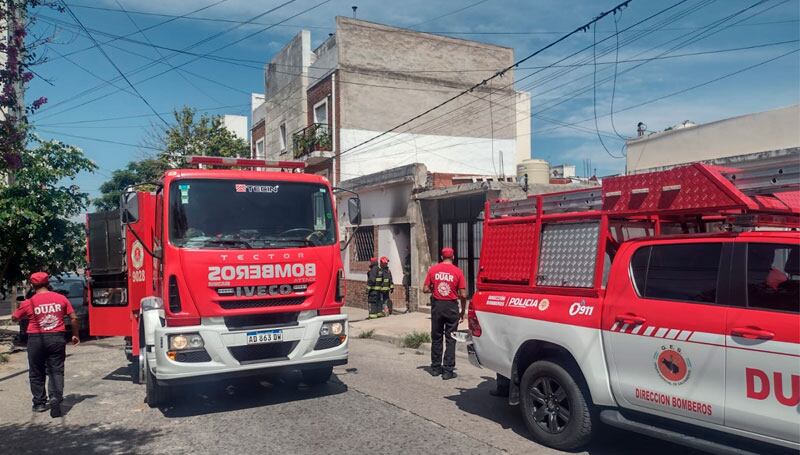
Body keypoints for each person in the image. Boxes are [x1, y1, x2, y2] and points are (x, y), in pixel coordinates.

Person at [11, 272, 80, 417]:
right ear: (48, 283)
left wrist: (19, 308)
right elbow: (73, 318)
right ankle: (55, 397)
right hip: (57, 338)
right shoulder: (61, 298)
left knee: (36, 371)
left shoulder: (29, 302)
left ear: (32, 285)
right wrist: (75, 335)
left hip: (36, 340)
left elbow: (15, 318)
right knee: (56, 370)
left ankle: (39, 403)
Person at [423, 247, 467, 380]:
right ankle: (448, 370)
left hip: (437, 306)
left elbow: (425, 289)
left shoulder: (433, 270)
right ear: (453, 257)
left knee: (436, 337)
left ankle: (435, 368)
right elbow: (463, 294)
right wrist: (462, 311)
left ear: (441, 257)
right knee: (451, 338)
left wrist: (434, 289)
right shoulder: (458, 272)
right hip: (451, 307)